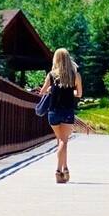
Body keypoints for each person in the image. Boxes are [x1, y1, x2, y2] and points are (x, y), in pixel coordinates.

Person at [40, 49, 83, 183]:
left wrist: (49, 90)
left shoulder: (51, 75)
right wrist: (71, 92)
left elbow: (42, 91)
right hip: (67, 112)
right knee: (64, 141)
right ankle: (59, 171)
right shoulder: (75, 75)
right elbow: (79, 94)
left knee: (60, 140)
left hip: (53, 112)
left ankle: (66, 168)